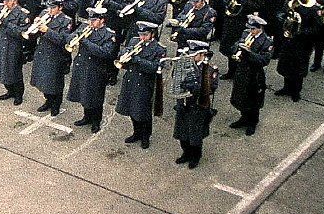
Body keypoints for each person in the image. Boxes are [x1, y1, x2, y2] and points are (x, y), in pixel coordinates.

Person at [115, 21, 165, 149]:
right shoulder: (134, 41)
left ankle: (145, 136)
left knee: (143, 113)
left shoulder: (159, 49)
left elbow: (156, 67)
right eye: (141, 34)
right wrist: (125, 54)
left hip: (144, 83)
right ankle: (136, 133)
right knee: (132, 109)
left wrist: (138, 60)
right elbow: (122, 55)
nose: (142, 37)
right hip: (131, 80)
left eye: (145, 35)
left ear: (152, 34)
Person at [67, 7, 117, 132]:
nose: (90, 23)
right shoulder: (85, 27)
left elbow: (105, 52)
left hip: (96, 70)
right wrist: (75, 37)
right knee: (84, 93)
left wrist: (85, 42)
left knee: (95, 97)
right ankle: (86, 117)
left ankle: (96, 121)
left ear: (102, 20)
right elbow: (71, 36)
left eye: (94, 20)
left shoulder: (109, 34)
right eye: (90, 20)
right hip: (83, 65)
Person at [172, 41, 219, 169]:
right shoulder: (185, 64)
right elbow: (175, 78)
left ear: (202, 54)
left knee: (195, 134)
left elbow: (211, 87)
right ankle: (186, 153)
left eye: (194, 54)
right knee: (182, 132)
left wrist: (194, 87)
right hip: (183, 103)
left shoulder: (209, 69)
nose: (191, 56)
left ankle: (195, 156)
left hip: (198, 106)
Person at [29, 0, 74, 116]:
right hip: (42, 51)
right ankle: (48, 100)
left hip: (55, 55)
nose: (50, 10)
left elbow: (63, 39)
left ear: (60, 7)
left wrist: (47, 31)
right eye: (49, 7)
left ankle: (56, 104)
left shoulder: (66, 21)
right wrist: (35, 25)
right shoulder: (44, 14)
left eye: (53, 8)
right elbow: (35, 33)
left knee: (54, 82)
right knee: (43, 80)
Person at [229, 15, 273, 136]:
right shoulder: (246, 34)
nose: (250, 31)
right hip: (242, 71)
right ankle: (243, 118)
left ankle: (252, 123)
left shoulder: (267, 41)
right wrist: (237, 47)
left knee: (254, 101)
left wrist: (249, 53)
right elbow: (236, 44)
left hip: (255, 74)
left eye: (253, 29)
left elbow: (264, 60)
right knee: (241, 96)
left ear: (260, 28)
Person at [275, 0, 318, 102]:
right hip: (289, 41)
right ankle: (286, 87)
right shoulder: (289, 3)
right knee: (286, 65)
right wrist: (281, 17)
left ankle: (296, 91)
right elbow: (282, 13)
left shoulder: (313, 9)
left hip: (303, 44)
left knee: (298, 69)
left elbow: (317, 28)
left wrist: (301, 32)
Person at [0, 0, 31, 105]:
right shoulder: (1, 8)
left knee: (14, 72)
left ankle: (18, 95)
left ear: (15, 1)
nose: (5, 3)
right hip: (0, 43)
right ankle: (9, 91)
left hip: (12, 46)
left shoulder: (23, 14)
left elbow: (22, 32)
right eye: (4, 0)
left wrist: (7, 23)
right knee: (2, 70)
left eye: (8, 1)